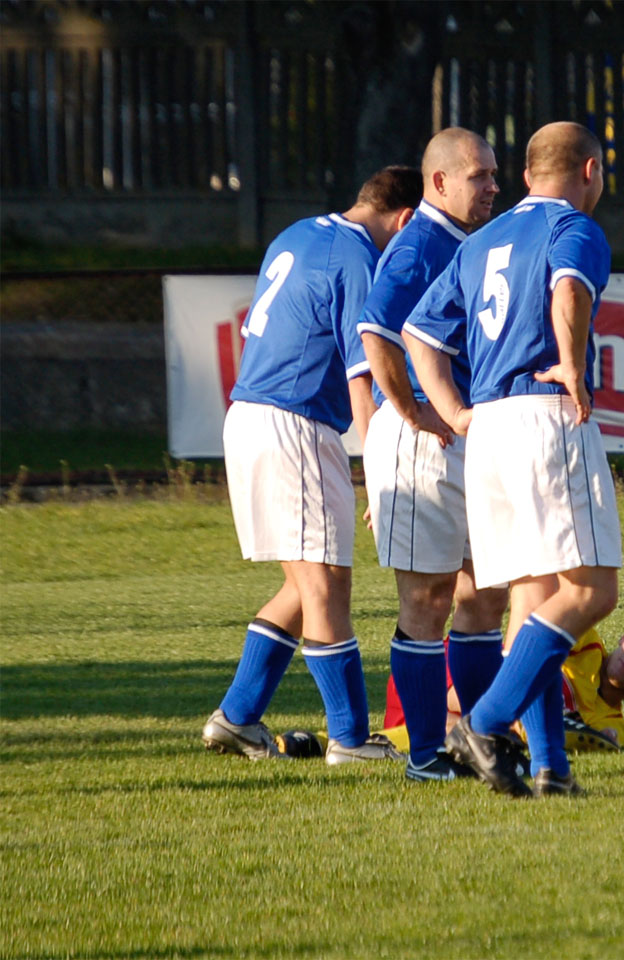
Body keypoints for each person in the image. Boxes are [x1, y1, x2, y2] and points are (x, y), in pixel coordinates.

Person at [405, 121, 620, 798]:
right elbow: (568, 292)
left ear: (527, 174)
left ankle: (552, 768)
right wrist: (575, 367)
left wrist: (455, 411)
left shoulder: (479, 243)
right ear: (589, 171)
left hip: (488, 430)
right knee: (590, 591)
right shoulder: (573, 229)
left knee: (531, 597)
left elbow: (418, 333)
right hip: (542, 416)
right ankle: (486, 722)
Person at [201, 166, 422, 765]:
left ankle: (237, 717)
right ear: (404, 220)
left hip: (251, 413)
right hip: (293, 422)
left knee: (304, 587)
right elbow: (362, 378)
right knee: (326, 585)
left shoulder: (299, 232)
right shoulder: (357, 259)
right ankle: (350, 738)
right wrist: (382, 473)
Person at [353, 128, 510, 784]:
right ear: (439, 183)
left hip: (469, 437)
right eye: (479, 176)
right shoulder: (421, 243)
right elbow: (374, 330)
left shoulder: (468, 244)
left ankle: (477, 743)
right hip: (424, 443)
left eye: (495, 174)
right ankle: (423, 756)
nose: (493, 186)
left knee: (486, 593)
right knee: (428, 598)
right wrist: (411, 409)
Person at [294, 618, 624, 757]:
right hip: (445, 673)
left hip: (448, 712)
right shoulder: (585, 640)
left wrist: (591, 736)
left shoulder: (616, 723)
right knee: (527, 677)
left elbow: (608, 739)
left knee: (464, 734)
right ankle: (540, 722)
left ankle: (319, 743)